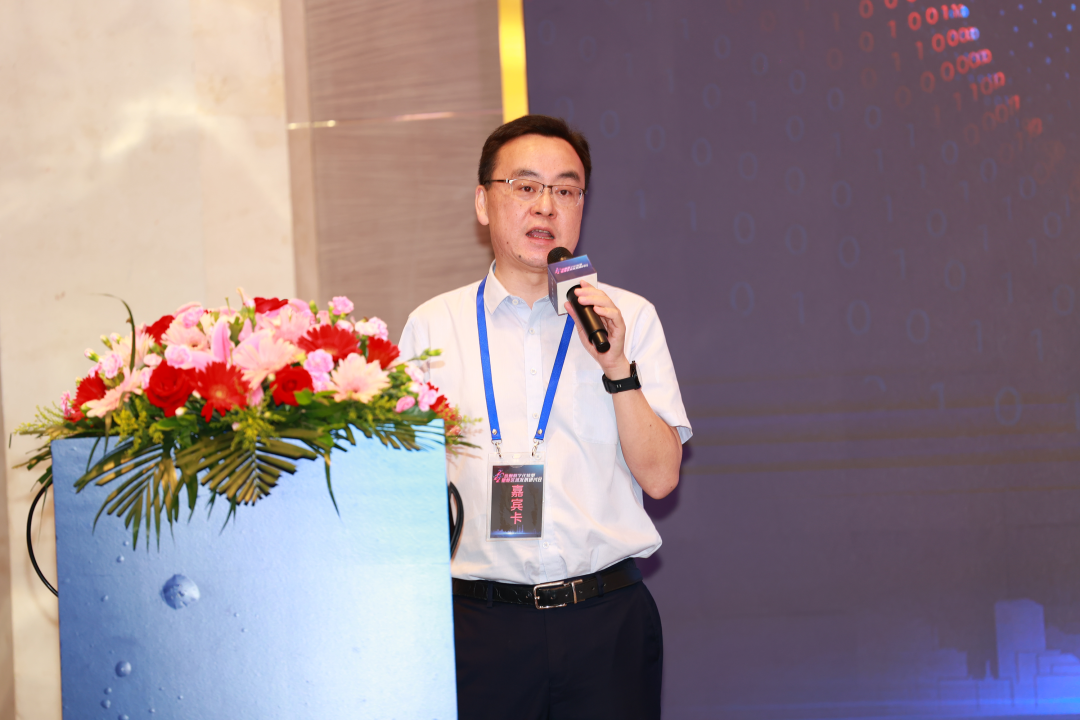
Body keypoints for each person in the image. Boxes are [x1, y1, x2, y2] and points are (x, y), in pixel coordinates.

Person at [397, 114, 691, 720]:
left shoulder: (628, 318)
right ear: (483, 202)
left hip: (606, 622)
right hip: (480, 626)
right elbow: (402, 487)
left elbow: (662, 478)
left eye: (566, 190)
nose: (546, 206)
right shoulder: (433, 327)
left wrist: (617, 366)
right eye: (525, 186)